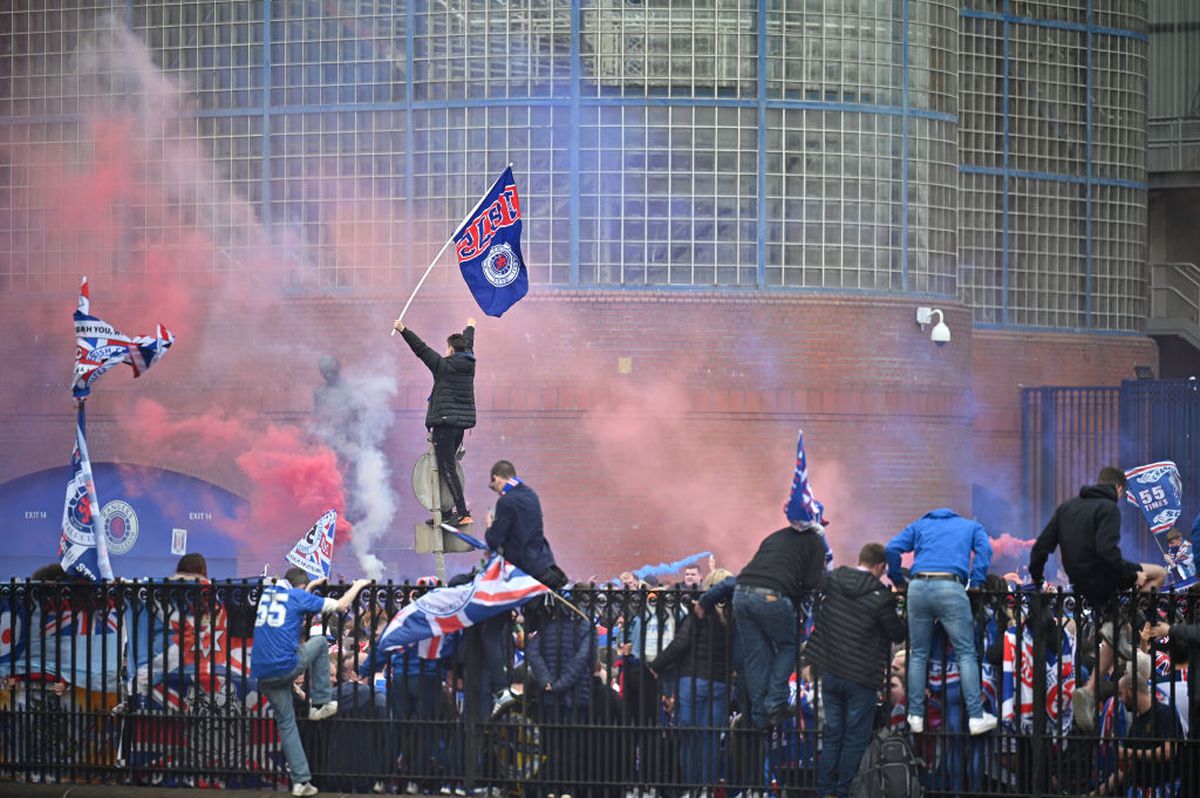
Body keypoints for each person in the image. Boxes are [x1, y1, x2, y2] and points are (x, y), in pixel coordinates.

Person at [252, 567, 370, 797]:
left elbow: (296, 596)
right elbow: (342, 606)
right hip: (285, 666)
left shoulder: (269, 595)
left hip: (263, 672)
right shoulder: (297, 596)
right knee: (318, 643)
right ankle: (321, 702)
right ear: (299, 588)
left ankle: (301, 781)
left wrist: (311, 586)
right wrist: (358, 586)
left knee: (287, 725)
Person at [804, 543, 906, 798]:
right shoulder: (881, 597)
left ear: (860, 558)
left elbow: (820, 607)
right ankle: (846, 791)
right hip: (862, 677)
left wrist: (809, 658)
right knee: (855, 738)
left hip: (831, 671)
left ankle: (825, 792)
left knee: (832, 734)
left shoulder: (836, 579)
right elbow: (897, 633)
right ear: (881, 566)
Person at [885, 508, 997, 735]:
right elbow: (985, 550)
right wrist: (976, 580)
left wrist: (898, 579)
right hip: (950, 585)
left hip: (917, 586)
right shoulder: (970, 527)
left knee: (917, 654)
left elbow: (891, 548)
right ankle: (976, 716)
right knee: (965, 652)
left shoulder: (920, 524)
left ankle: (915, 714)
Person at [732, 519, 826, 728]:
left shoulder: (775, 536)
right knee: (788, 646)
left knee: (756, 655)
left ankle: (759, 716)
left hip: (740, 593)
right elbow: (811, 582)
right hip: (772, 596)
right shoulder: (816, 542)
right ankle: (775, 704)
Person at [1028, 466, 1166, 604]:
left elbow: (1040, 547)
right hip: (1101, 579)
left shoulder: (1067, 507)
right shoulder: (1108, 508)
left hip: (1076, 578)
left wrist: (1037, 578)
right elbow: (1106, 552)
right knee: (1159, 573)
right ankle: (1128, 615)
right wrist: (1132, 576)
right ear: (1118, 488)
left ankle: (1119, 619)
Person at [649, 568, 733, 790]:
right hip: (720, 682)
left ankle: (692, 788)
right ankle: (707, 787)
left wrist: (656, 665)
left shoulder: (699, 612)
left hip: (692, 681)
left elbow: (681, 644)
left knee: (689, 735)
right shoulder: (734, 617)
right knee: (711, 738)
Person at [393, 317, 477, 527]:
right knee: (445, 465)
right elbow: (468, 343)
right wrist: (470, 327)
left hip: (444, 425)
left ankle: (462, 512)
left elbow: (421, 349)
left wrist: (403, 329)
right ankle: (447, 511)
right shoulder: (469, 363)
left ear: (450, 350)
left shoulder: (443, 366)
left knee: (446, 466)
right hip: (459, 427)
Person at [484, 460, 567, 589]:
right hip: (542, 562)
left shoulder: (506, 501)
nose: (495, 490)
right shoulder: (531, 495)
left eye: (493, 486)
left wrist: (490, 526)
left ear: (497, 478)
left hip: (522, 570)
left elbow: (495, 539)